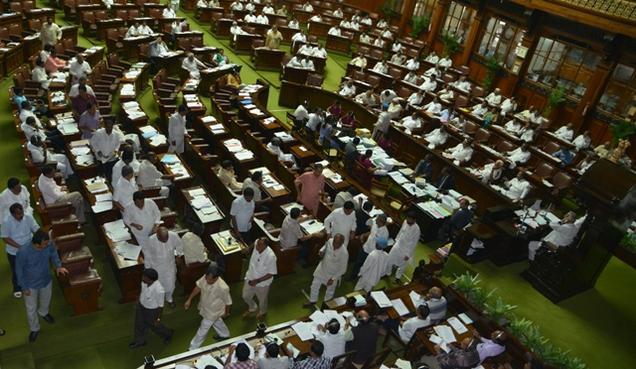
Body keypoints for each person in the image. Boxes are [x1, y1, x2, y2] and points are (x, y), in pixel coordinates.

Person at [15, 230, 68, 342]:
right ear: (36, 244)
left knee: (46, 300)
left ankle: (44, 312)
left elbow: (53, 253)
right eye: (44, 244)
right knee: (31, 309)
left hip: (46, 280)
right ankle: (34, 328)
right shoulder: (23, 252)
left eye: (47, 243)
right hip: (30, 285)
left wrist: (58, 266)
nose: (47, 245)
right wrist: (23, 287)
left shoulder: (48, 245)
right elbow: (18, 271)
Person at [186, 262, 232, 349]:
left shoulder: (223, 287)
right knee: (217, 321)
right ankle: (225, 335)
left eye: (210, 280)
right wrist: (189, 299)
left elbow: (228, 302)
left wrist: (226, 313)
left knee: (203, 330)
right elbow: (198, 287)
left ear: (216, 278)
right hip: (205, 306)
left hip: (213, 311)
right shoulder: (205, 277)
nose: (207, 281)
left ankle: (192, 348)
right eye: (206, 278)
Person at [2, 204, 40, 299]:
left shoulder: (28, 217)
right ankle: (17, 288)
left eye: (21, 213)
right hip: (14, 251)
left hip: (29, 247)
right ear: (12, 214)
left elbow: (36, 229)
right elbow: (5, 238)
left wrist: (41, 238)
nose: (21, 215)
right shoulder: (6, 222)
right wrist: (20, 247)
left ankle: (33, 284)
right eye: (18, 214)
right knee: (17, 270)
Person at [129, 268, 174, 348]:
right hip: (141, 306)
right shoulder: (144, 282)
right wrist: (138, 300)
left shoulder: (159, 290)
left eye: (144, 277)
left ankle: (168, 334)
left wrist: (158, 319)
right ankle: (140, 341)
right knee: (139, 323)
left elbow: (160, 306)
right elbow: (141, 291)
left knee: (154, 326)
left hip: (151, 311)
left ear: (150, 280)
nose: (142, 278)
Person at [142, 227, 183, 307]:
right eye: (162, 240)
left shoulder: (173, 235)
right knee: (157, 285)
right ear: (157, 235)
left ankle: (169, 298)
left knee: (171, 284)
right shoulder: (150, 240)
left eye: (166, 239)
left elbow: (179, 245)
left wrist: (179, 255)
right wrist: (147, 269)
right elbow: (148, 255)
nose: (165, 241)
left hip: (170, 265)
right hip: (156, 267)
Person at [305, 234, 348, 306]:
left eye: (337, 243)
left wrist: (333, 279)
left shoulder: (344, 253)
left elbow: (343, 269)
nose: (334, 244)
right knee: (314, 285)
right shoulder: (330, 241)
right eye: (334, 242)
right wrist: (321, 251)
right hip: (322, 269)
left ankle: (327, 305)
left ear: (342, 243)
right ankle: (312, 300)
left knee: (330, 291)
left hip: (332, 274)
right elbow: (324, 247)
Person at [243, 237, 277, 320]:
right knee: (245, 296)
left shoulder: (271, 256)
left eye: (259, 245)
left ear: (265, 246)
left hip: (262, 284)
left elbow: (271, 273)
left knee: (262, 300)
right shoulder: (257, 243)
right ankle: (253, 307)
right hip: (250, 277)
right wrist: (248, 248)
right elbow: (254, 243)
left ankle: (263, 312)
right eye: (257, 244)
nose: (256, 246)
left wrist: (257, 281)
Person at [387, 212, 421, 280]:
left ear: (414, 220)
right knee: (390, 258)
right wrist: (396, 240)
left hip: (407, 249)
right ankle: (388, 272)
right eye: (407, 218)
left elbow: (414, 244)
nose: (408, 220)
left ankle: (397, 277)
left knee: (402, 265)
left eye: (410, 219)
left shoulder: (417, 230)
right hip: (399, 244)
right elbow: (401, 232)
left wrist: (408, 255)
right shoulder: (405, 222)